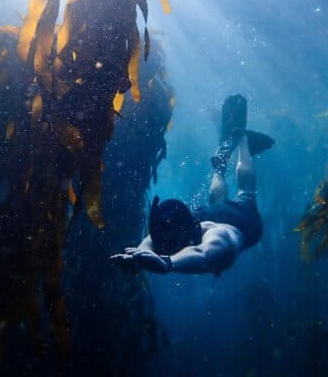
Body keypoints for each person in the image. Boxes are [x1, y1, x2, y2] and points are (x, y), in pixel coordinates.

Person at [111, 94, 273, 275]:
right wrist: (140, 255)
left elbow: (203, 255)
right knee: (222, 200)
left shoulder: (219, 239)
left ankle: (243, 141)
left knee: (245, 193)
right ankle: (226, 158)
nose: (163, 247)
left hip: (242, 222)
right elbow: (153, 238)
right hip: (205, 216)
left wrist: (167, 263)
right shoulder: (180, 226)